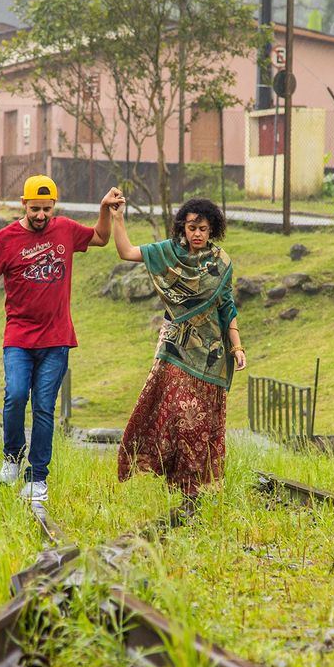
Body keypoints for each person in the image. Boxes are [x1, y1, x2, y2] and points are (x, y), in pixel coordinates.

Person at [0, 175, 124, 503]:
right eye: (35, 209)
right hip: (19, 338)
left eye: (47, 210)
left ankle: (38, 478)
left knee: (44, 408)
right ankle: (11, 458)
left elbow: (101, 238)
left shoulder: (64, 229)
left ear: (54, 207)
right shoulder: (6, 239)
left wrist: (104, 209)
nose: (41, 216)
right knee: (16, 396)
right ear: (23, 204)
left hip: (56, 338)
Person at [110, 197, 246, 513]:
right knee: (178, 415)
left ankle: (190, 491)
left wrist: (237, 346)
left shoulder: (220, 263)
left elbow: (227, 306)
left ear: (212, 230)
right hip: (175, 349)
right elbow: (127, 252)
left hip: (210, 354)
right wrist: (118, 218)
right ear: (182, 228)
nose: (197, 233)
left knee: (197, 421)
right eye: (191, 227)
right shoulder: (167, 253)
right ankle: (181, 484)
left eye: (203, 228)